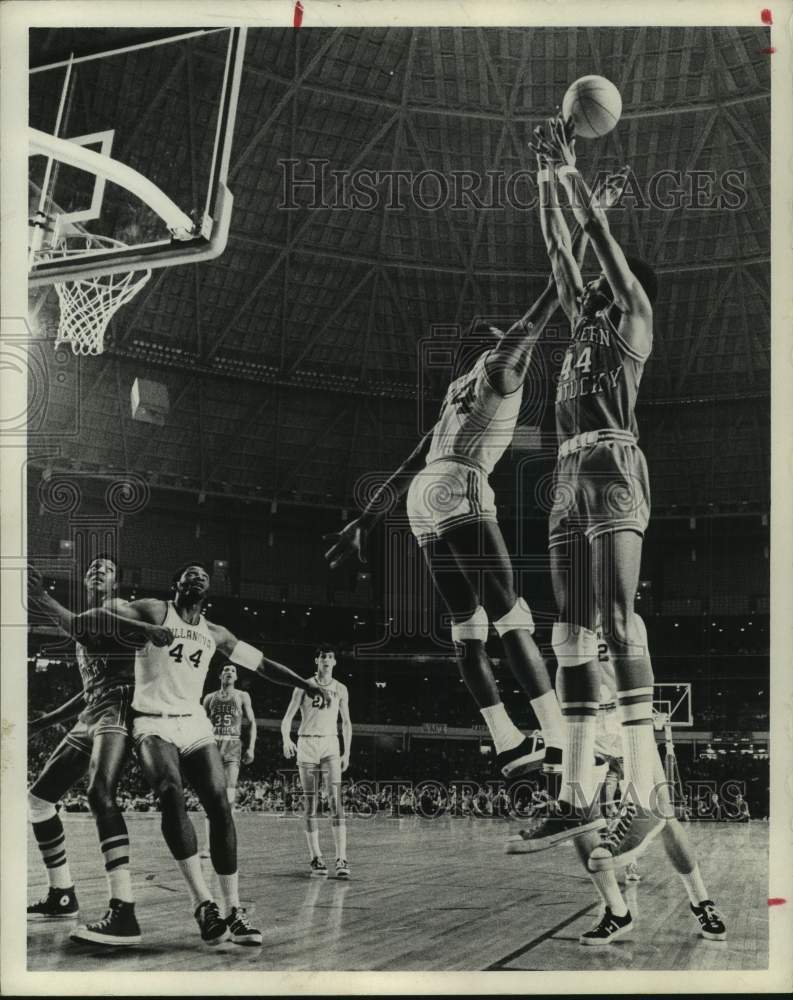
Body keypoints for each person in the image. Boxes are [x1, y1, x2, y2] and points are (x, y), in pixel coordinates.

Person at [323, 170, 626, 780]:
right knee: (512, 617)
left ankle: (507, 742)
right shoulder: (500, 368)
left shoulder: (454, 395)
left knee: (468, 628)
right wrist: (591, 219)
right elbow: (549, 297)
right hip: (459, 483)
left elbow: (410, 462)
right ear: (490, 347)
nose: (509, 338)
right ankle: (557, 738)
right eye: (499, 336)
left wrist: (364, 522)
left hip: (422, 495)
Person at [512, 115, 662, 860]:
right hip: (568, 474)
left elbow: (596, 240)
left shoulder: (633, 316)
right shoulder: (581, 323)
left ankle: (648, 792)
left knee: (615, 621)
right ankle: (574, 797)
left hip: (611, 463)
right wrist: (546, 173)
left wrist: (578, 178)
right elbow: (558, 247)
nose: (593, 281)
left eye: (605, 277)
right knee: (568, 634)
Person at [79, 562, 332, 946]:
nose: (198, 576)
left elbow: (263, 664)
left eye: (204, 576)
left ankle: (233, 911)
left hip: (194, 722)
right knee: (170, 792)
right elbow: (105, 614)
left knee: (220, 806)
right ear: (176, 583)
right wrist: (139, 625)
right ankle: (203, 903)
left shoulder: (216, 633)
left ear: (208, 591)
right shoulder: (154, 610)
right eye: (190, 573)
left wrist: (305, 684)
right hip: (152, 721)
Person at [26, 557, 172, 945]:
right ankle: (61, 894)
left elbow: (83, 628)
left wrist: (40, 596)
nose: (96, 570)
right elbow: (89, 689)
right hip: (94, 708)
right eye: (92, 567)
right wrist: (43, 721)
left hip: (120, 704)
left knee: (99, 792)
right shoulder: (90, 619)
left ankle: (124, 910)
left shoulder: (117, 608)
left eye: (105, 569)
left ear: (116, 582)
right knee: (39, 801)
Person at [281, 646, 352, 879]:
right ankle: (316, 856)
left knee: (335, 800)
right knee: (310, 803)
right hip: (307, 743)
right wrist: (286, 739)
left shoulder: (340, 688)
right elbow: (287, 718)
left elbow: (346, 723)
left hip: (330, 743)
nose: (327, 661)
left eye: (330, 657)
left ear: (335, 662)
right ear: (317, 661)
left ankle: (341, 857)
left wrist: (347, 753)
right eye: (323, 657)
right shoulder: (303, 686)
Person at [199, 665, 256, 858]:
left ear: (236, 677)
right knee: (212, 796)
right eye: (225, 670)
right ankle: (208, 845)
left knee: (229, 796)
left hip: (232, 745)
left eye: (232, 670)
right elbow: (199, 722)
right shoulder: (209, 698)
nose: (229, 672)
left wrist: (251, 747)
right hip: (212, 745)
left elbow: (252, 723)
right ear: (220, 675)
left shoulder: (242, 696)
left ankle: (225, 842)